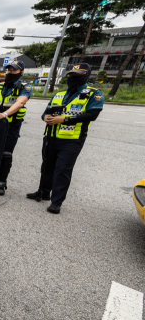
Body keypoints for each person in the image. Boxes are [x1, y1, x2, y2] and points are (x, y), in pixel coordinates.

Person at [26, 63, 103, 214]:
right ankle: (43, 192)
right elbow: (45, 112)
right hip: (51, 136)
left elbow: (92, 115)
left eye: (77, 75)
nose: (73, 77)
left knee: (62, 170)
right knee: (47, 166)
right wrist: (46, 117)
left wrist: (64, 120)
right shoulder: (59, 94)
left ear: (86, 76)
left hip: (72, 139)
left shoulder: (94, 93)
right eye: (71, 75)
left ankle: (57, 202)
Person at [0, 60, 33, 195]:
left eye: (14, 70)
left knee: (6, 154)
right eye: (9, 69)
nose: (10, 72)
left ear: (21, 72)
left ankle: (1, 182)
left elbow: (20, 102)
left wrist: (5, 114)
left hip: (11, 126)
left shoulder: (25, 87)